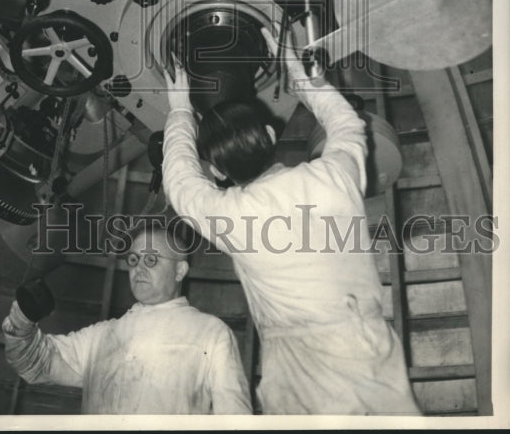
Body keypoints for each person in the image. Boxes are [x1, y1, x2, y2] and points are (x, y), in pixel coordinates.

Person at [162, 29, 421, 416]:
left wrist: (180, 111)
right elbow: (347, 124)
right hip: (373, 359)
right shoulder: (334, 177)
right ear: (270, 135)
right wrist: (298, 73)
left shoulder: (228, 216)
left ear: (216, 171)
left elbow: (179, 180)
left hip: (296, 377)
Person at [1, 219, 253, 415]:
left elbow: (235, 420)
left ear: (179, 270)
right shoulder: (101, 335)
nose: (139, 268)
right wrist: (23, 319)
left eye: (151, 259)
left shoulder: (212, 334)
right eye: (133, 259)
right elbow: (36, 364)